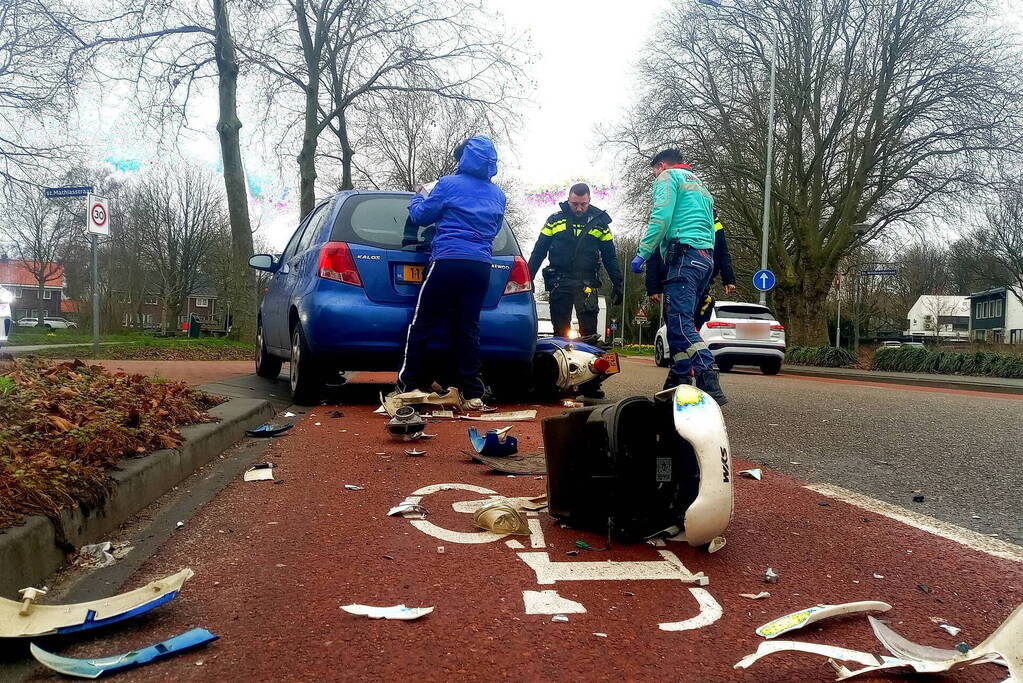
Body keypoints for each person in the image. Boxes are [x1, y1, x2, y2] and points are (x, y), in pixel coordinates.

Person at [396, 136, 506, 410]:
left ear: (464, 159)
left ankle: (408, 385)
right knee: (468, 328)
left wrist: (418, 196)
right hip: (480, 265)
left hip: (447, 261)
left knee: (422, 324)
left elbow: (421, 216)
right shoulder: (498, 195)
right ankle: (472, 393)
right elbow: (493, 230)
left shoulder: (447, 185)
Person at [631, 149, 727, 405]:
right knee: (677, 326)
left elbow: (661, 217)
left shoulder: (668, 177)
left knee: (681, 324)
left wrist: (643, 253)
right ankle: (678, 382)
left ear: (661, 165)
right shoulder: (701, 186)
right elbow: (712, 229)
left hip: (685, 257)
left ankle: (708, 376)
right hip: (704, 258)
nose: (654, 177)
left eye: (654, 171)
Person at [527, 183, 623, 340]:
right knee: (560, 333)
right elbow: (539, 252)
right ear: (568, 200)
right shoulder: (554, 221)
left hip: (587, 282)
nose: (579, 208)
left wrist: (618, 283)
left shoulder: (600, 224)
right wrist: (528, 278)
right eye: (575, 204)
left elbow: (609, 256)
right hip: (560, 280)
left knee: (590, 334)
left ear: (589, 201)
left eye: (583, 204)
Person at [647, 210, 736, 329]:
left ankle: (690, 343)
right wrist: (653, 287)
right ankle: (688, 343)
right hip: (675, 276)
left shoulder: (713, 220)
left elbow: (723, 252)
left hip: (702, 277)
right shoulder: (673, 214)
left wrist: (728, 278)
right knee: (678, 320)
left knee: (691, 320)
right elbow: (654, 255)